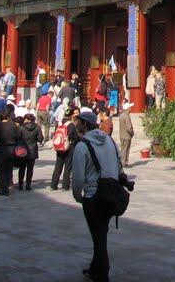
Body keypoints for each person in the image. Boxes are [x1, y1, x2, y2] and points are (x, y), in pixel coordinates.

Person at [71, 110, 124, 282]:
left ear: (84, 124)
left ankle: (103, 273)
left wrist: (78, 195)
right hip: (110, 193)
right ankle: (95, 268)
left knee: (98, 237)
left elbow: (78, 177)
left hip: (93, 196)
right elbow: (119, 164)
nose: (77, 125)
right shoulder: (109, 140)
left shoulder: (82, 145)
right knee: (100, 233)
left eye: (79, 122)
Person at [50, 107, 78, 191]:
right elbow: (74, 136)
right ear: (71, 115)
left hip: (59, 147)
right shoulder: (71, 124)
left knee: (58, 166)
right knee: (67, 167)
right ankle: (65, 186)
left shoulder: (59, 123)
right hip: (68, 147)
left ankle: (53, 185)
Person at [0, 110, 18, 196]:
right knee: (9, 168)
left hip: (2, 148)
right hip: (12, 148)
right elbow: (18, 137)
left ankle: (3, 188)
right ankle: (7, 185)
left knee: (0, 169)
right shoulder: (13, 125)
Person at [16, 112, 42, 190]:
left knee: (22, 168)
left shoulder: (21, 127)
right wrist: (35, 139)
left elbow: (17, 137)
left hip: (23, 149)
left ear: (26, 119)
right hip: (33, 149)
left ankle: (20, 184)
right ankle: (28, 185)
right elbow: (40, 138)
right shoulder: (37, 127)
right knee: (30, 168)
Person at [117, 101, 134, 167]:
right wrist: (132, 133)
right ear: (128, 108)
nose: (131, 108)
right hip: (126, 135)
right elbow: (129, 128)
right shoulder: (126, 116)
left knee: (123, 149)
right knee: (125, 150)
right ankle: (124, 163)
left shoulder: (121, 115)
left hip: (122, 135)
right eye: (130, 107)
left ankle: (122, 162)